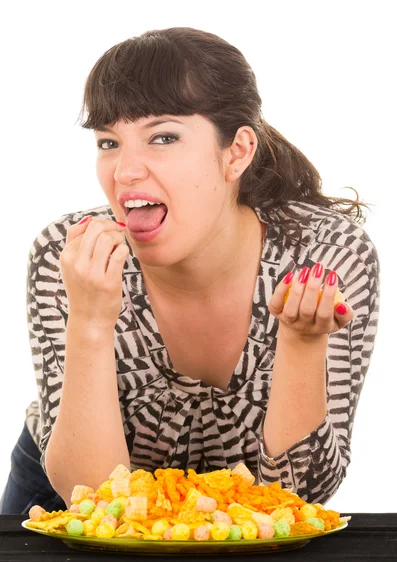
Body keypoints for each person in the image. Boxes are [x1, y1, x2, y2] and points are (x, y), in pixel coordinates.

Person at [0, 26, 380, 515]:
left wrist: (302, 345)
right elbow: (92, 497)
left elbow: (299, 499)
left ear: (237, 151)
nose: (125, 172)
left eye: (162, 136)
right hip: (64, 499)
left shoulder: (325, 254)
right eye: (108, 142)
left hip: (250, 513)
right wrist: (90, 323)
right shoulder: (69, 254)